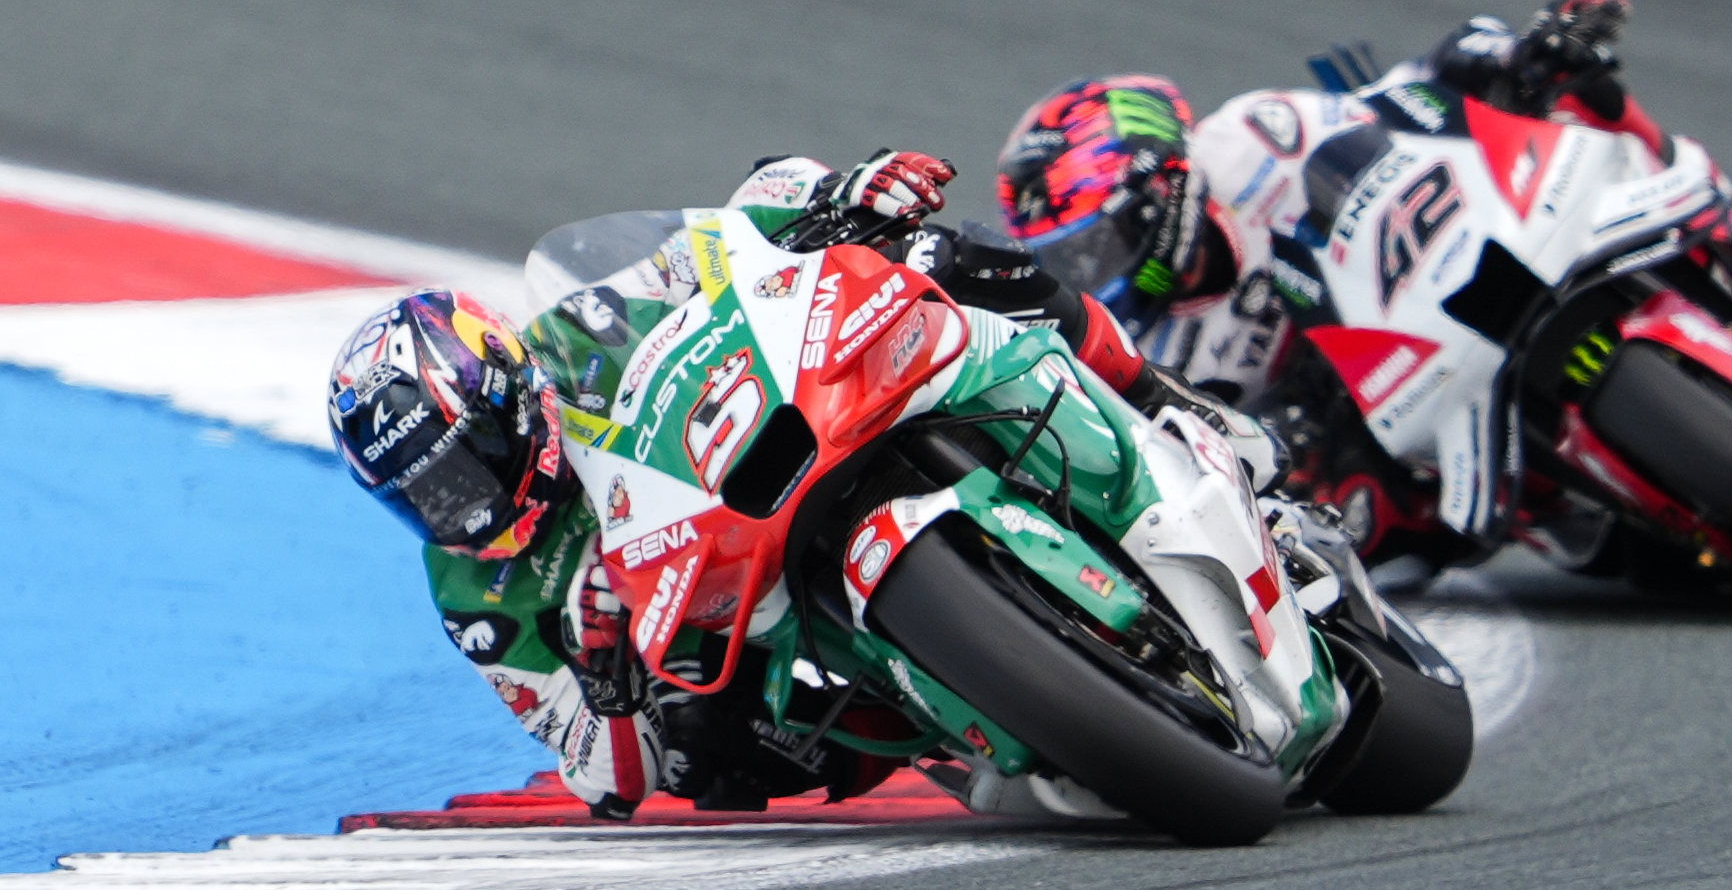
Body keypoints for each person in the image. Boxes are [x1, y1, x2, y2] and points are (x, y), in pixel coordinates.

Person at [326, 149, 1277, 821]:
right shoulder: (475, 595)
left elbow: (719, 244)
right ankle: (953, 710)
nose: (462, 503)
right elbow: (603, 778)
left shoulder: (579, 330)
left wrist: (835, 196)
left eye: (463, 463)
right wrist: (609, 680)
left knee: (970, 263)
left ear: (507, 391)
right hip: (722, 630)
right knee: (703, 753)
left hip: (774, 436)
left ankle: (1161, 397)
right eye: (424, 496)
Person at [994, 0, 1732, 562]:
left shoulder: (1246, 137)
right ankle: (1555, 508)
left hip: (1446, 260)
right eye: (1073, 258)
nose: (1096, 272)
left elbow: (1393, 105)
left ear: (1159, 185)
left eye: (1099, 243)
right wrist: (1281, 443)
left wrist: (1499, 57)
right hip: (1380, 415)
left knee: (1567, 89)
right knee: (1357, 517)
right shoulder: (1153, 341)